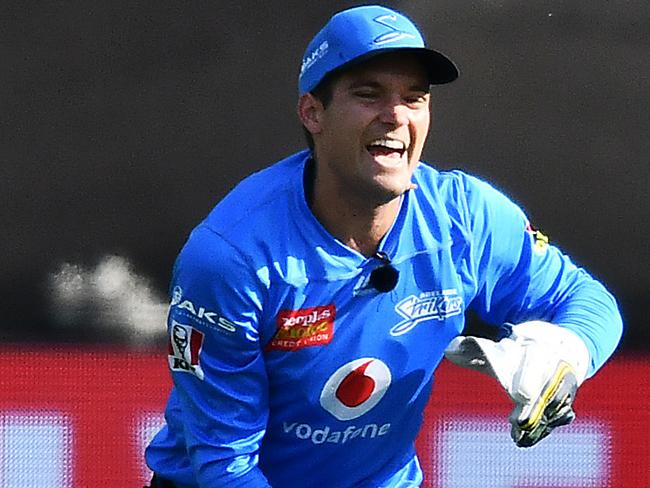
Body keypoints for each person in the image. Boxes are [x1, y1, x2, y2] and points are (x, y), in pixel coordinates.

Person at [144, 4, 623, 487]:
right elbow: (225, 465)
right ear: (313, 113)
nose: (396, 115)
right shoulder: (233, 257)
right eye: (368, 94)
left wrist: (564, 354)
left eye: (415, 98)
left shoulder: (466, 218)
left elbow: (587, 301)